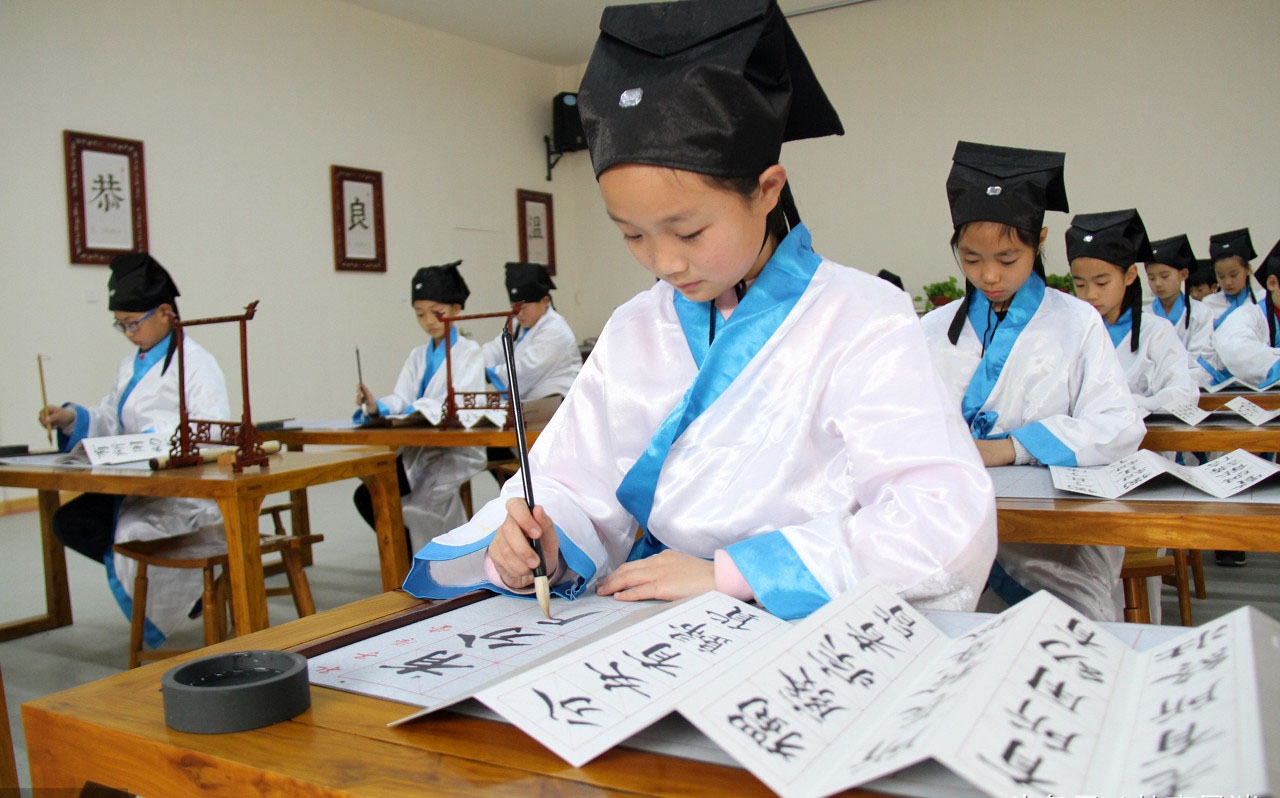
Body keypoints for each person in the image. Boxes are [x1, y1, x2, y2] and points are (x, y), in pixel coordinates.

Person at [401, 0, 997, 620]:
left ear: (766, 191)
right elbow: (574, 479)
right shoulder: (636, 327)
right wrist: (542, 539)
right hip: (660, 612)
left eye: (687, 232)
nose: (664, 262)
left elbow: (939, 516)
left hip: (816, 612)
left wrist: (732, 574)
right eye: (632, 235)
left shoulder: (861, 315)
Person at [919, 141, 1145, 622]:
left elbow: (1119, 425)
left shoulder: (1077, 322)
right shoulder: (931, 332)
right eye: (972, 258)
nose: (990, 275)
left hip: (1054, 543)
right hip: (952, 528)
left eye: (1007, 256)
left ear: (1039, 241)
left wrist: (1010, 447)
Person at [37, 252, 230, 648]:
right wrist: (71, 418)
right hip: (135, 484)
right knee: (68, 523)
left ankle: (188, 586)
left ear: (165, 312)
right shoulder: (130, 365)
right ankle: (184, 589)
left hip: (180, 494)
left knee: (130, 533)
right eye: (120, 325)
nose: (128, 333)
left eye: (132, 324)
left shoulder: (198, 364)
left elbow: (212, 430)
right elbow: (111, 417)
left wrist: (154, 443)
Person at [352, 261, 486, 552]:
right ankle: (405, 554)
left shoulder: (469, 352)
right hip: (419, 447)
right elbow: (402, 397)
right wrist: (377, 406)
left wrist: (418, 408)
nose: (429, 321)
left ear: (455, 310)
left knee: (393, 495)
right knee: (369, 493)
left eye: (437, 312)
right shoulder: (417, 356)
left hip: (452, 449)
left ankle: (416, 556)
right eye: (420, 314)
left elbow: (460, 404)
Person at [1066, 210, 1198, 414]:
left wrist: (1124, 406)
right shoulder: (1070, 332)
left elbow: (1182, 393)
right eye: (1080, 284)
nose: (1091, 294)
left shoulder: (1156, 331)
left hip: (1147, 441)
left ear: (1129, 276)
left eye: (1102, 282)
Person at [1144, 234, 1227, 388]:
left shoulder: (1202, 313)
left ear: (1183, 274)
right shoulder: (1142, 315)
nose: (1158, 283)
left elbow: (1199, 359)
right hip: (1150, 387)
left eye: (1164, 276)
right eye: (1151, 277)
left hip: (1190, 384)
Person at [1203, 228, 1259, 329]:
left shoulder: (1261, 300)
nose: (1227, 282)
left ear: (1247, 270)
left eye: (1234, 275)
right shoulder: (1208, 304)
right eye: (1221, 276)